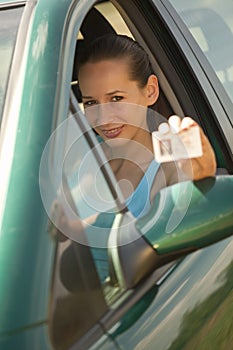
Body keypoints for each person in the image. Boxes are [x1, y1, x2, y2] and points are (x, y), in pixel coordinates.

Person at [77, 33, 216, 218]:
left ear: (150, 91)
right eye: (91, 103)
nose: (104, 119)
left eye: (117, 99)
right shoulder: (77, 157)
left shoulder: (168, 171)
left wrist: (201, 179)